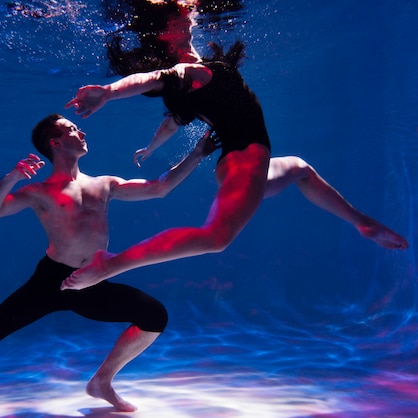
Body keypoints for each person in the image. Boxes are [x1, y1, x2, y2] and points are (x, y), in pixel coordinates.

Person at [0, 113, 216, 417]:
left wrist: (198, 152)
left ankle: (101, 382)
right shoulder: (39, 192)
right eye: (73, 129)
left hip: (91, 280)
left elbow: (159, 188)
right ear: (55, 142)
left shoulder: (104, 184)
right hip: (51, 281)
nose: (83, 133)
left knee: (154, 317)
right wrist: (14, 176)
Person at [61, 0, 408, 291]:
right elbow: (152, 79)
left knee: (301, 169)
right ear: (167, 33)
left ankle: (363, 222)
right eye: (178, 14)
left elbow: (171, 122)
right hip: (245, 160)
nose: (187, 12)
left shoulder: (193, 78)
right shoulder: (187, 72)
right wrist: (108, 93)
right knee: (216, 237)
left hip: (242, 162)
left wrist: (150, 149)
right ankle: (110, 265)